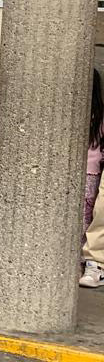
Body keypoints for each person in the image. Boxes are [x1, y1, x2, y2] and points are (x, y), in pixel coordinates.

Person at [80, 70, 104, 288]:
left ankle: (87, 260)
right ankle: (86, 259)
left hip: (84, 171)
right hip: (93, 172)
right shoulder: (100, 115)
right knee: (90, 213)